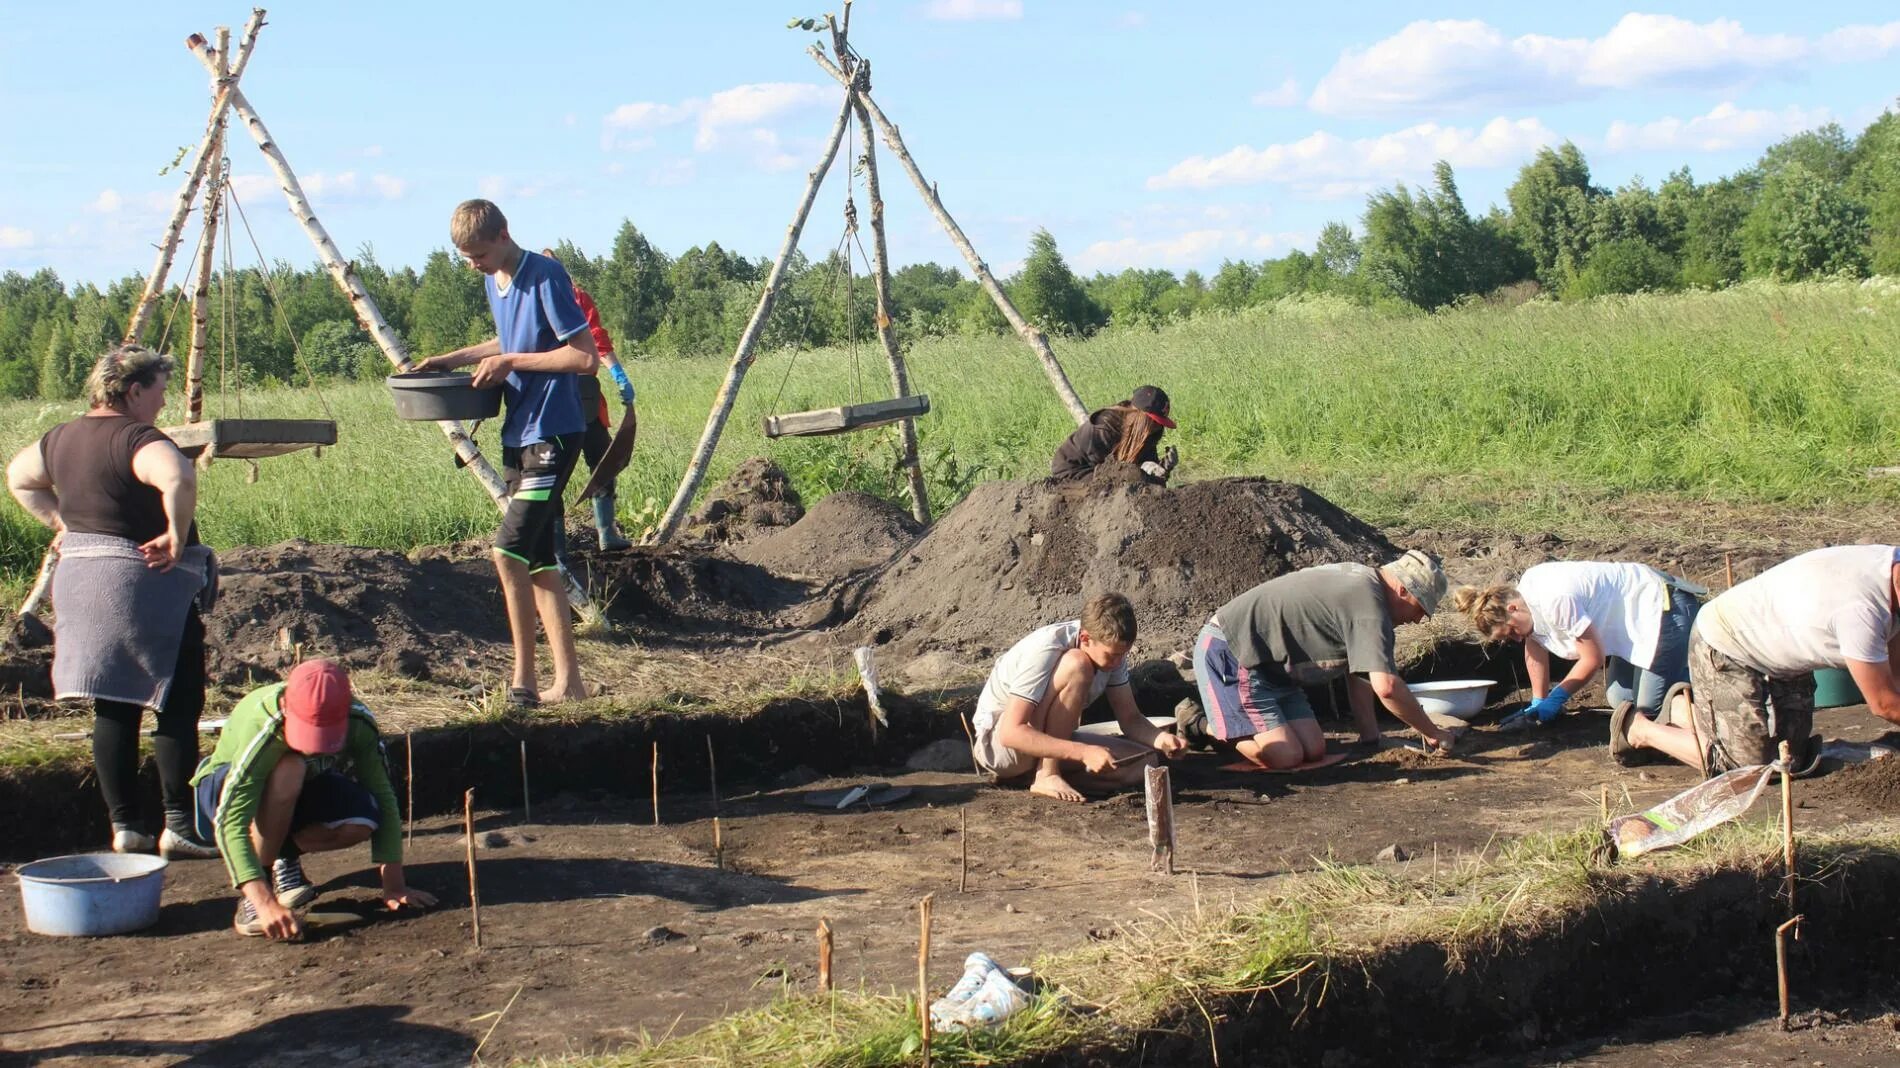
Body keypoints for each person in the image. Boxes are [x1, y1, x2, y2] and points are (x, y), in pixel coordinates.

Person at [5, 345, 218, 859]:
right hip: (142, 581)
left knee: (114, 704)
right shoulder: (137, 437)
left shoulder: (60, 437)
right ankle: (179, 828)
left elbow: (18, 478)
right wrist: (175, 532)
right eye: (159, 392)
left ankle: (126, 827)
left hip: (82, 583)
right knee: (175, 700)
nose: (163, 403)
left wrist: (63, 522)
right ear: (134, 391)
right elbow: (178, 476)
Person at [412, 200, 600, 707]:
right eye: (466, 257)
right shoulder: (493, 280)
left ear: (503, 234)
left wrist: (512, 361)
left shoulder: (544, 274)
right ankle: (571, 684)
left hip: (554, 433)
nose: (473, 263)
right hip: (520, 433)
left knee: (506, 550)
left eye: (478, 253)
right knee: (538, 559)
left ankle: (525, 682)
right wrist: (449, 360)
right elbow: (513, 337)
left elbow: (585, 357)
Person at [191, 659, 435, 939]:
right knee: (289, 769)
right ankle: (256, 892)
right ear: (286, 706)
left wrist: (394, 885)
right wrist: (263, 902)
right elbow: (230, 820)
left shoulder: (358, 721)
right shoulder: (265, 723)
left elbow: (383, 795)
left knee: (362, 819)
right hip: (224, 790)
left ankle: (285, 855)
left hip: (298, 789)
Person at [1613, 545, 1900, 774]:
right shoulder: (1860, 612)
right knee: (1750, 769)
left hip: (1783, 649)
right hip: (1728, 642)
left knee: (1790, 758)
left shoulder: (1889, 564)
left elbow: (1896, 674)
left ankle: (1686, 711)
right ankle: (1640, 729)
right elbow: (1884, 702)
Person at [1193, 550, 1458, 769]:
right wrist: (1434, 733)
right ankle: (1202, 723)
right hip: (1233, 653)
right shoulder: (1370, 607)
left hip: (1272, 669)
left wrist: (1370, 739)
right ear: (1402, 590)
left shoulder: (1367, 587)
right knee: (1286, 757)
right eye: (1420, 608)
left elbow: (1360, 674)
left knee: (1314, 749)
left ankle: (1230, 724)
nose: (1417, 619)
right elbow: (1386, 687)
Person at [969, 593, 1188, 803]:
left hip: (1048, 741)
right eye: (1112, 655)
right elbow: (1011, 733)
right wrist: (1083, 753)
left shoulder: (1112, 653)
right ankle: (1047, 774)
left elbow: (1130, 719)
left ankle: (1032, 779)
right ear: (1085, 638)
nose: (1117, 662)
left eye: (1123, 654)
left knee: (1146, 763)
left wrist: (1162, 740)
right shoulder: (1047, 647)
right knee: (1078, 665)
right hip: (1001, 747)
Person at [1451, 561, 1704, 729]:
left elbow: (1592, 658)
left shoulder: (1555, 600)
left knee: (1651, 711)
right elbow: (1534, 645)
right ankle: (1675, 675)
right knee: (1621, 699)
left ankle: (1698, 690)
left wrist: (1558, 697)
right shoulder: (1526, 595)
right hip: (1635, 626)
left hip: (1664, 611)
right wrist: (1539, 700)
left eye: (1512, 631)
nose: (1516, 639)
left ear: (1512, 608)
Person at [541, 248, 635, 552]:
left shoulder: (576, 297)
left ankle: (607, 535)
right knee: (551, 476)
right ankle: (556, 549)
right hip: (549, 400)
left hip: (585, 398)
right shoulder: (532, 304)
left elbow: (597, 339)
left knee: (603, 461)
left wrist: (618, 374)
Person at [1050, 385, 1178, 484]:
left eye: (1160, 423)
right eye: (1154, 422)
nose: (1157, 427)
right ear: (1141, 417)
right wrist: (1140, 472)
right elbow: (1108, 472)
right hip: (1073, 471)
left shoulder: (1146, 434)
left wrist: (1162, 468)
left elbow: (1149, 475)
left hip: (1103, 472)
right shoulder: (1104, 427)